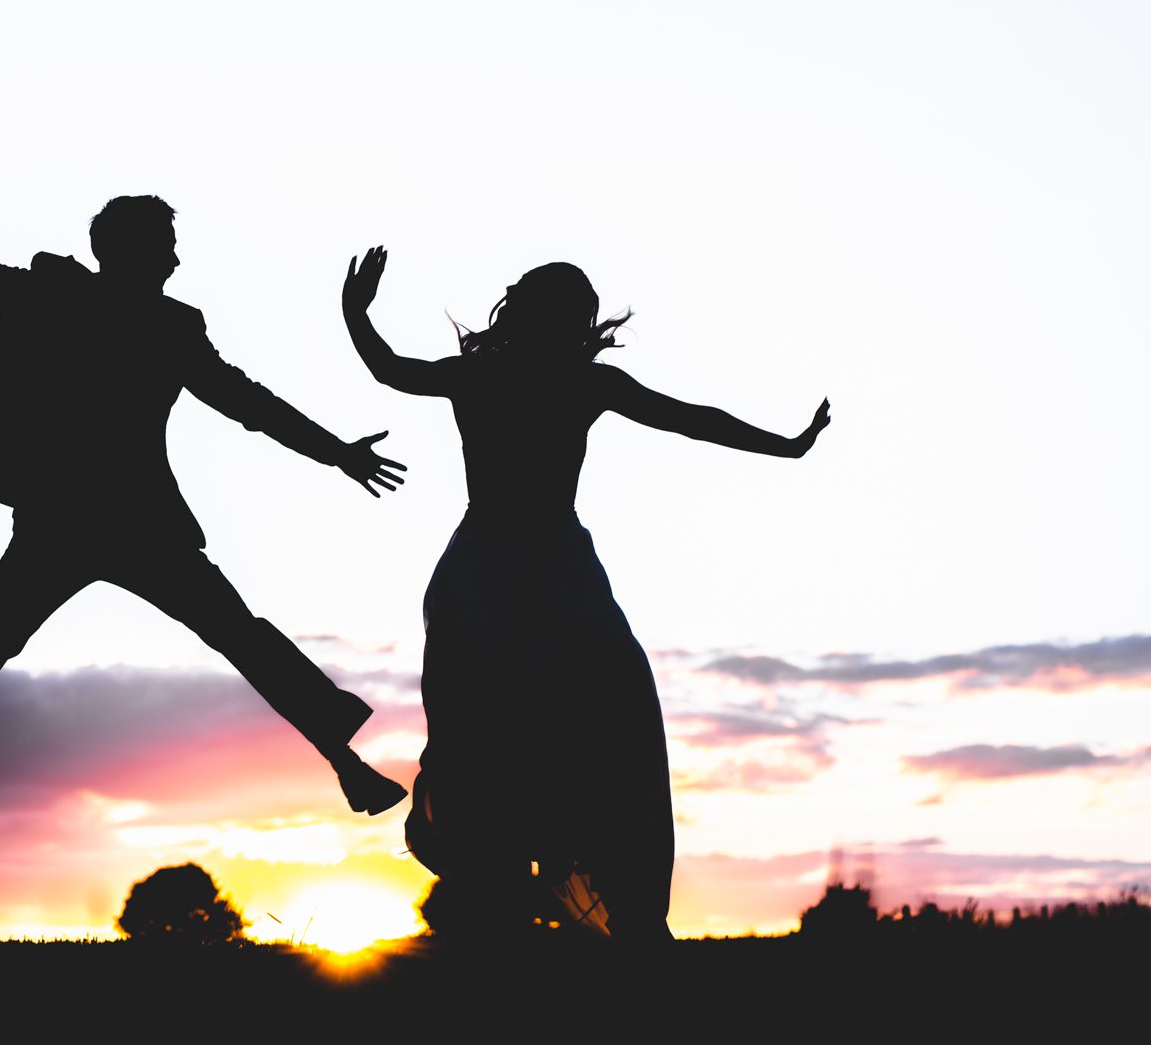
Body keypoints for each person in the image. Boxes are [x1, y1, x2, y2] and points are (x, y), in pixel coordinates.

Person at [0, 104, 410, 857]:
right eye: (167, 246)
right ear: (130, 249)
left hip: (132, 525)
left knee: (235, 634)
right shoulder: (69, 298)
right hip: (66, 524)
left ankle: (344, 760)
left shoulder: (170, 326)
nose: (177, 260)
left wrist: (334, 451)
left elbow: (245, 401)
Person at [339, 247, 830, 942]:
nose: (568, 327)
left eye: (575, 317)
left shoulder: (575, 381)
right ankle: (495, 854)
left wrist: (785, 445)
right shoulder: (500, 377)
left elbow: (689, 417)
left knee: (611, 699)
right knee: (477, 716)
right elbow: (392, 369)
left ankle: (599, 878)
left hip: (542, 568)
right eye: (562, 313)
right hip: (496, 570)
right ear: (534, 314)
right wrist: (355, 314)